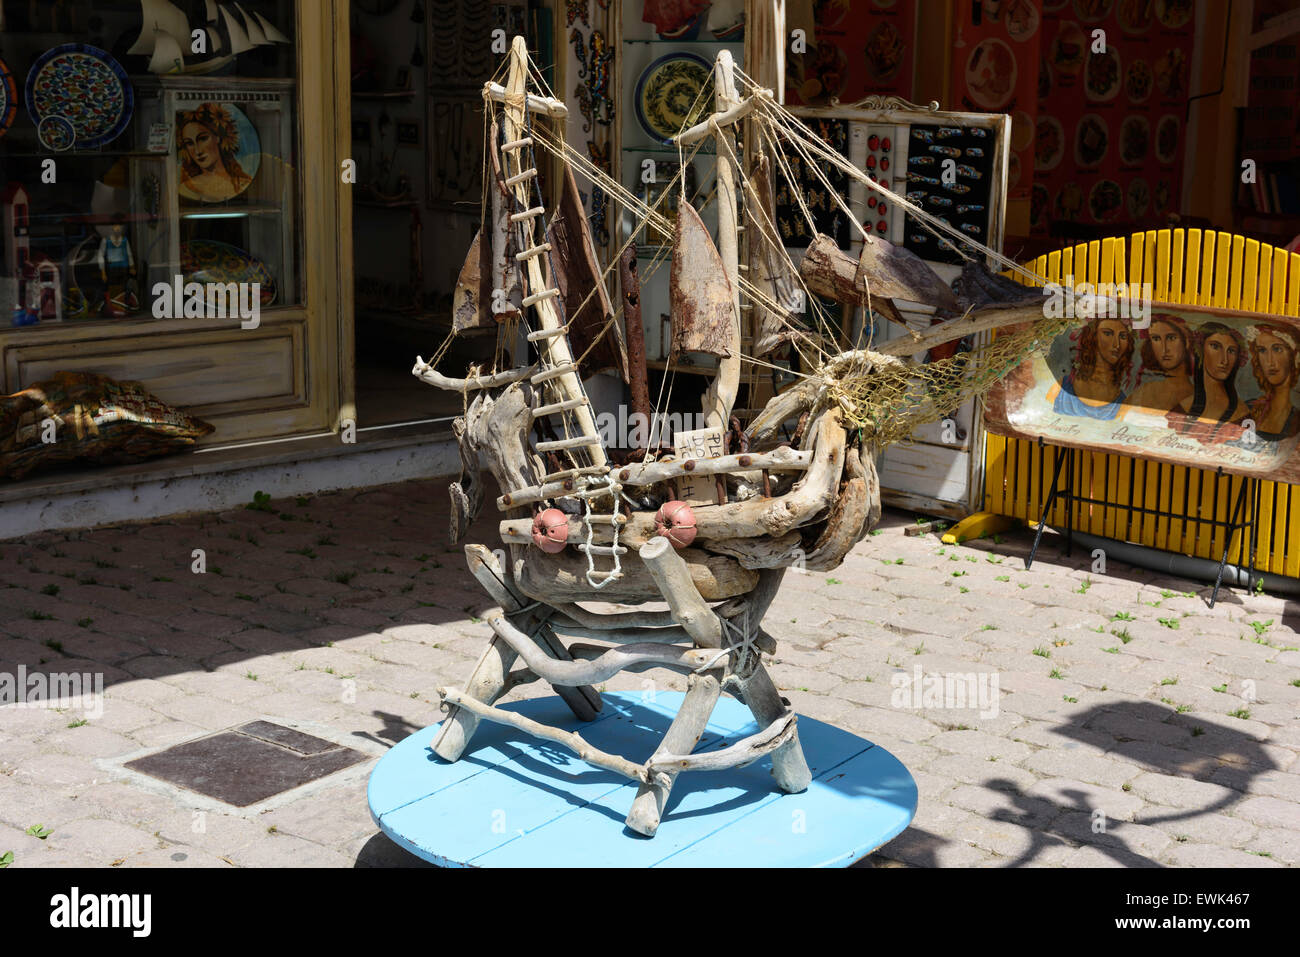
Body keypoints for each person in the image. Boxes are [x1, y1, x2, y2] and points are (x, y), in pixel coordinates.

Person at [1168, 322, 1248, 437]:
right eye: (1215, 346)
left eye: (1231, 351)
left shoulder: (1241, 414)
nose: (1224, 360)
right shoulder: (1181, 408)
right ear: (1200, 352)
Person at [1047, 317, 1134, 420]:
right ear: (1093, 337)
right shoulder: (1061, 388)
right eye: (1107, 334)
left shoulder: (1123, 404)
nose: (1116, 344)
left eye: (1122, 336)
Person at [178, 103, 254, 202]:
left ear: (218, 137)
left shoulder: (243, 183)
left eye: (203, 138)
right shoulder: (187, 188)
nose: (198, 151)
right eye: (189, 143)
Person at [1126, 313, 1194, 412]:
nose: (1164, 349)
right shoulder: (1146, 391)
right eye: (1156, 339)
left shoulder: (1197, 396)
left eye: (1171, 338)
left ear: (1186, 342)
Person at [1245, 322, 1300, 441]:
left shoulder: (1296, 418)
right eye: (1262, 351)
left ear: (1293, 355)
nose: (1270, 361)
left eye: (1277, 349)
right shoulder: (1248, 408)